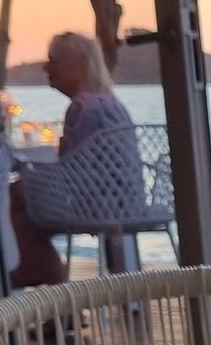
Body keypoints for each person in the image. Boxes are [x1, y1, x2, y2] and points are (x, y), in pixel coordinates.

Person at [9, 32, 138, 287]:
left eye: (54, 61)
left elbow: (71, 174)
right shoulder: (111, 103)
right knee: (21, 204)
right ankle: (40, 279)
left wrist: (29, 181)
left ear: (80, 65)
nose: (46, 68)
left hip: (94, 205)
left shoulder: (82, 107)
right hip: (128, 201)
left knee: (13, 203)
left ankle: (45, 282)